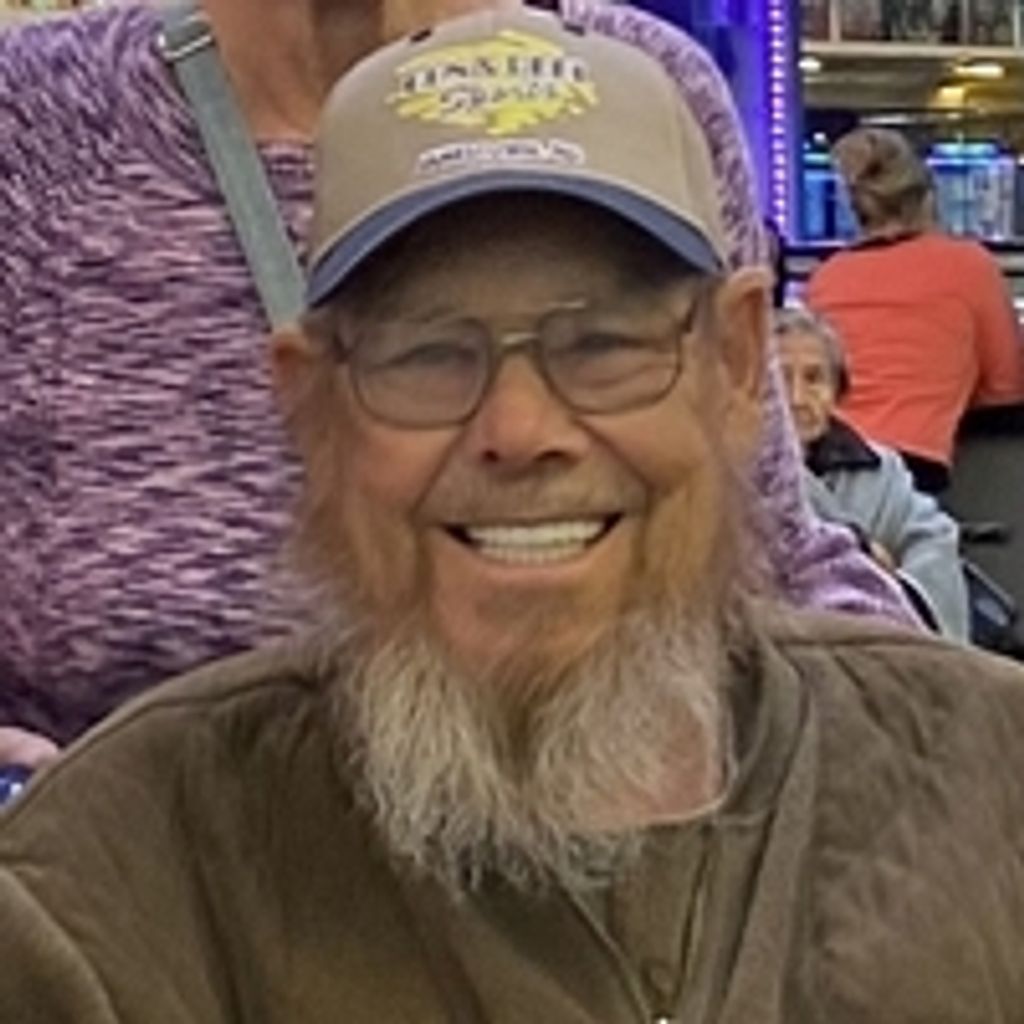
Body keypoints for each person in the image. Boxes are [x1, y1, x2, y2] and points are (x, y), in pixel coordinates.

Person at [4, 11, 1024, 1019]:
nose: (521, 428)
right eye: (427, 353)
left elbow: (787, 559)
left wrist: (904, 793)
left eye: (605, 344)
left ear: (737, 362)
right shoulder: (119, 883)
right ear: (308, 402)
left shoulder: (983, 785)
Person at [0, 0, 914, 761]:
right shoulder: (43, 120)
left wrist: (922, 744)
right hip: (152, 892)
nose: (519, 429)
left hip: (611, 864)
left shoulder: (634, 88)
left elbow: (769, 556)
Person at [806, 125, 1024, 495]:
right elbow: (1005, 387)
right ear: (927, 199)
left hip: (825, 461)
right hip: (913, 467)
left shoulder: (827, 277)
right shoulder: (969, 267)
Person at [775, 306, 969, 639]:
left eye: (814, 379)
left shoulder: (881, 468)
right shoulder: (732, 471)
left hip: (886, 645)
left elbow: (933, 537)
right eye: (780, 380)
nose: (797, 398)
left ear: (836, 391)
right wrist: (864, 552)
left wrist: (897, 597)